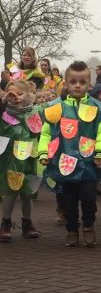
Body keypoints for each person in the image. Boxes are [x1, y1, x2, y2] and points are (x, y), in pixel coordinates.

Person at [38, 61, 101, 247]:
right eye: (73, 81)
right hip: (65, 163)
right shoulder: (56, 107)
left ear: (89, 84)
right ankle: (71, 229)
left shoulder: (98, 108)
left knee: (88, 199)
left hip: (88, 164)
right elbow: (46, 132)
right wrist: (44, 152)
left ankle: (88, 225)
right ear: (66, 83)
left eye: (82, 82)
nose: (78, 85)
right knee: (68, 202)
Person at [0, 79, 43, 241]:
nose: (16, 97)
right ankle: (5, 224)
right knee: (10, 193)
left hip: (30, 161)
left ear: (29, 95)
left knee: (27, 194)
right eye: (12, 94)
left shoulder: (35, 112)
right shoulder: (3, 113)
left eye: (20, 93)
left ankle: (28, 224)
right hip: (9, 161)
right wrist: (3, 102)